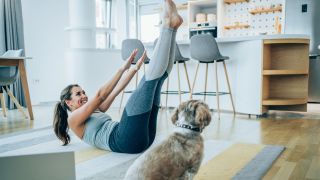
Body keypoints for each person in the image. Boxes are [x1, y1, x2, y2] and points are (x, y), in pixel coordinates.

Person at [53, 0, 183, 154]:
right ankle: (167, 25)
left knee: (158, 80)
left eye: (83, 92)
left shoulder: (96, 110)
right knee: (149, 81)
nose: (84, 95)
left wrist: (134, 69)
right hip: (125, 140)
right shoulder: (73, 119)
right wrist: (122, 68)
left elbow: (117, 90)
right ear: (68, 102)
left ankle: (172, 27)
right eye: (78, 94)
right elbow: (100, 95)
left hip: (142, 139)